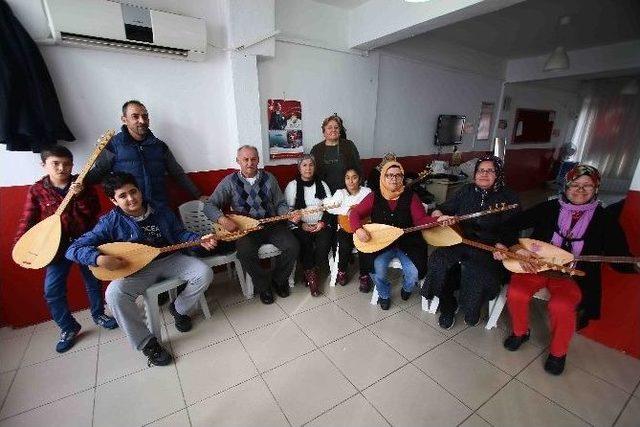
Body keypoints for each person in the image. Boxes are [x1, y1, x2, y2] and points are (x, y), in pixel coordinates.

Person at [493, 164, 635, 375]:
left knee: (562, 305)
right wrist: (514, 248)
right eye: (575, 185)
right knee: (516, 292)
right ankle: (520, 332)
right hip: (537, 267)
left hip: (572, 276)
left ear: (596, 189)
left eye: (587, 185)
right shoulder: (549, 208)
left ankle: (558, 353)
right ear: (566, 187)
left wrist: (634, 264)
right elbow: (508, 226)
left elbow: (619, 256)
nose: (580, 190)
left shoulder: (604, 219)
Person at [66, 172, 216, 366]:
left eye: (133, 191)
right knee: (114, 294)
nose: (131, 198)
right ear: (113, 200)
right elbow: (73, 249)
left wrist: (198, 240)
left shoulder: (160, 209)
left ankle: (179, 309)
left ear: (139, 191)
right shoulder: (109, 222)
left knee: (204, 272)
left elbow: (179, 234)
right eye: (123, 196)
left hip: (170, 259)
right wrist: (98, 259)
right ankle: (147, 343)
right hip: (137, 269)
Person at [14, 145, 118, 353]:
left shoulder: (83, 185)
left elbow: (94, 213)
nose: (62, 168)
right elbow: (28, 220)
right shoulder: (37, 190)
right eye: (56, 164)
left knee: (93, 281)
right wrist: (21, 245)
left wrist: (78, 196)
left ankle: (99, 313)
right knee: (52, 291)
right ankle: (68, 327)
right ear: (44, 165)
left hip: (83, 242)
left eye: (67, 164)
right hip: (55, 248)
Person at [422, 155, 520, 329]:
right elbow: (443, 209)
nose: (484, 174)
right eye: (481, 170)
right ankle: (447, 306)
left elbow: (512, 229)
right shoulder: (466, 191)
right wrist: (439, 216)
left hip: (488, 247)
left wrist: (503, 244)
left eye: (490, 170)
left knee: (478, 270)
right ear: (475, 173)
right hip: (459, 240)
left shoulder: (509, 198)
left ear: (498, 174)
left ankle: (471, 309)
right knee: (438, 261)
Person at [204, 145, 300, 305]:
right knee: (244, 252)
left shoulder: (269, 178)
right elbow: (209, 205)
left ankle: (278, 280)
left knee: (293, 245)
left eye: (253, 159)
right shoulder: (229, 182)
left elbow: (280, 202)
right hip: (246, 231)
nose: (250, 163)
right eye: (245, 159)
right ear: (238, 161)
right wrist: (222, 219)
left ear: (258, 160)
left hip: (271, 225)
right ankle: (264, 286)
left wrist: (287, 215)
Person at [86, 100, 204, 208]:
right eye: (135, 117)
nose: (142, 121)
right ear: (124, 119)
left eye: (145, 116)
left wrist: (198, 195)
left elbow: (177, 173)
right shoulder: (112, 146)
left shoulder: (159, 146)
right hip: (131, 213)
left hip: (160, 209)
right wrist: (74, 183)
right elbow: (98, 173)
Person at [350, 161, 435, 310]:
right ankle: (384, 294)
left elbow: (421, 220)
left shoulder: (411, 197)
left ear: (402, 177)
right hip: (381, 243)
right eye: (389, 175)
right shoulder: (374, 196)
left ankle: (407, 288)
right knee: (377, 270)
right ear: (383, 177)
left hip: (408, 242)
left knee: (414, 273)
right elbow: (355, 213)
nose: (393, 179)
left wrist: (438, 220)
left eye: (397, 175)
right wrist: (358, 229)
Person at [284, 155, 332, 296]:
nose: (308, 168)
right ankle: (312, 279)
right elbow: (287, 212)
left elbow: (329, 207)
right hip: (300, 226)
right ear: (299, 168)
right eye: (304, 165)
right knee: (304, 241)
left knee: (324, 243)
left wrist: (322, 223)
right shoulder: (292, 186)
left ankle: (311, 271)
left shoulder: (322, 184)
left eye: (311, 165)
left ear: (314, 167)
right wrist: (302, 225)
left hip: (320, 223)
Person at [325, 168, 373, 290]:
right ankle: (342, 270)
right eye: (347, 178)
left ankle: (364, 275)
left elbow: (372, 207)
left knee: (365, 246)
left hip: (363, 227)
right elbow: (329, 207)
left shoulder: (367, 192)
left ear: (360, 179)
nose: (351, 181)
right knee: (344, 246)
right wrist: (347, 210)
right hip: (345, 228)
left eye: (354, 177)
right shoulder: (340, 193)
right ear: (344, 180)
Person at [310, 114, 361, 194]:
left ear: (340, 131)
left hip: (347, 192)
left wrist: (357, 192)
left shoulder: (349, 145)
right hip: (323, 194)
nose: (333, 130)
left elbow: (358, 169)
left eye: (336, 127)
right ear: (324, 132)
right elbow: (311, 174)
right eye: (329, 128)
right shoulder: (316, 149)